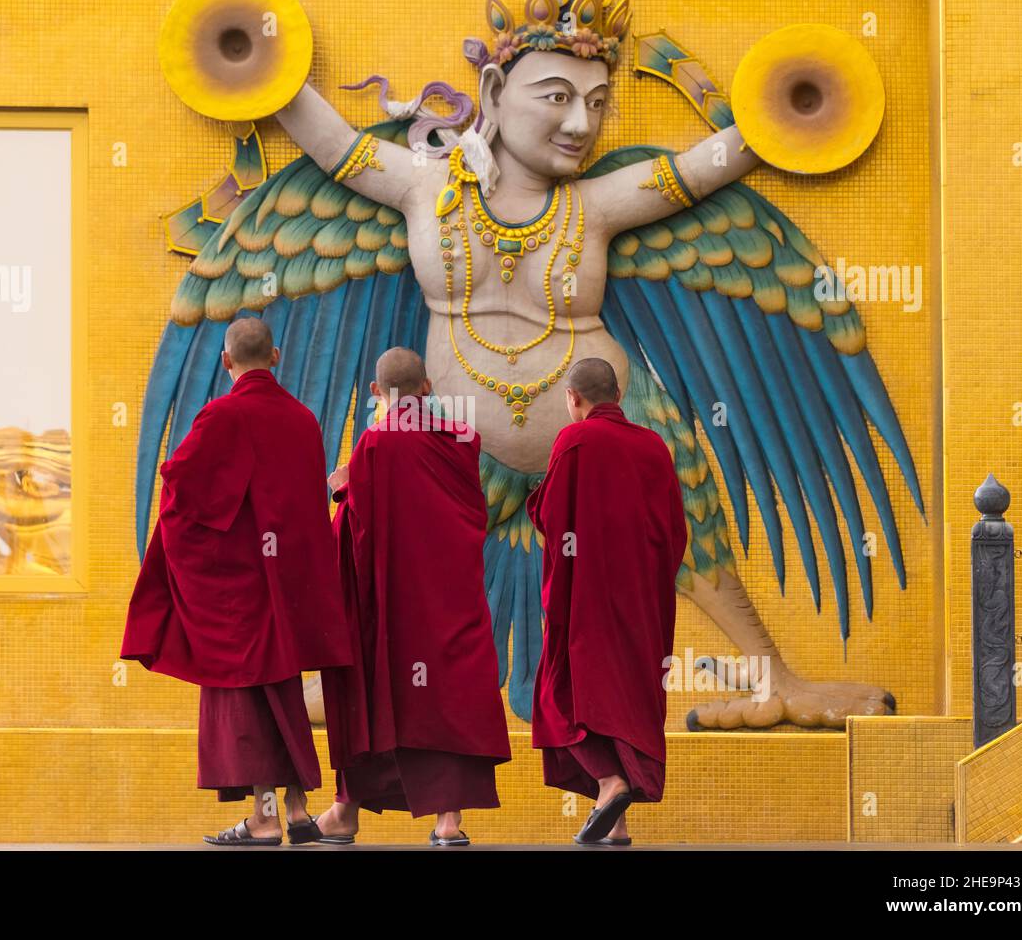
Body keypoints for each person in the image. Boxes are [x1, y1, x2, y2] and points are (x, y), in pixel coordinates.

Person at [121, 318, 351, 846]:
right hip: (288, 591)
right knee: (283, 699)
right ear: (276, 356)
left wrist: (186, 571)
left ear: (226, 362)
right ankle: (294, 811)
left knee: (249, 708)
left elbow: (181, 494)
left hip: (242, 594)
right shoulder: (303, 421)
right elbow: (307, 518)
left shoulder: (221, 415)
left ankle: (265, 819)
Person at [315, 347, 512, 846]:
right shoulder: (463, 439)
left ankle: (347, 810)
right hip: (453, 601)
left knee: (382, 695)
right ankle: (448, 821)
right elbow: (473, 517)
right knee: (448, 701)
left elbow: (359, 533)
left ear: (377, 393)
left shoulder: (377, 442)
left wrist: (343, 491)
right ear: (427, 388)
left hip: (396, 606)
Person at [526, 356, 688, 846]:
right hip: (642, 605)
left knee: (562, 695)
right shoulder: (654, 446)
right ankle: (616, 822)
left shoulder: (576, 441)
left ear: (573, 399)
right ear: (616, 395)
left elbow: (552, 518)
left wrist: (538, 500)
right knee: (625, 700)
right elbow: (675, 533)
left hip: (588, 602)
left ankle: (609, 781)